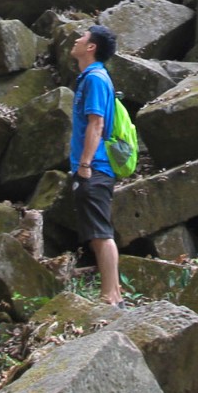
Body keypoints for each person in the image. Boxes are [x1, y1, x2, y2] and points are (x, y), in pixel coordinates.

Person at [69, 23, 122, 305]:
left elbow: (97, 123)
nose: (76, 40)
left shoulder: (96, 79)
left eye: (82, 37)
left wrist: (85, 165)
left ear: (91, 47)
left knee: (101, 234)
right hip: (92, 165)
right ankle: (112, 294)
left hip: (96, 166)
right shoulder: (90, 77)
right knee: (96, 233)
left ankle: (111, 296)